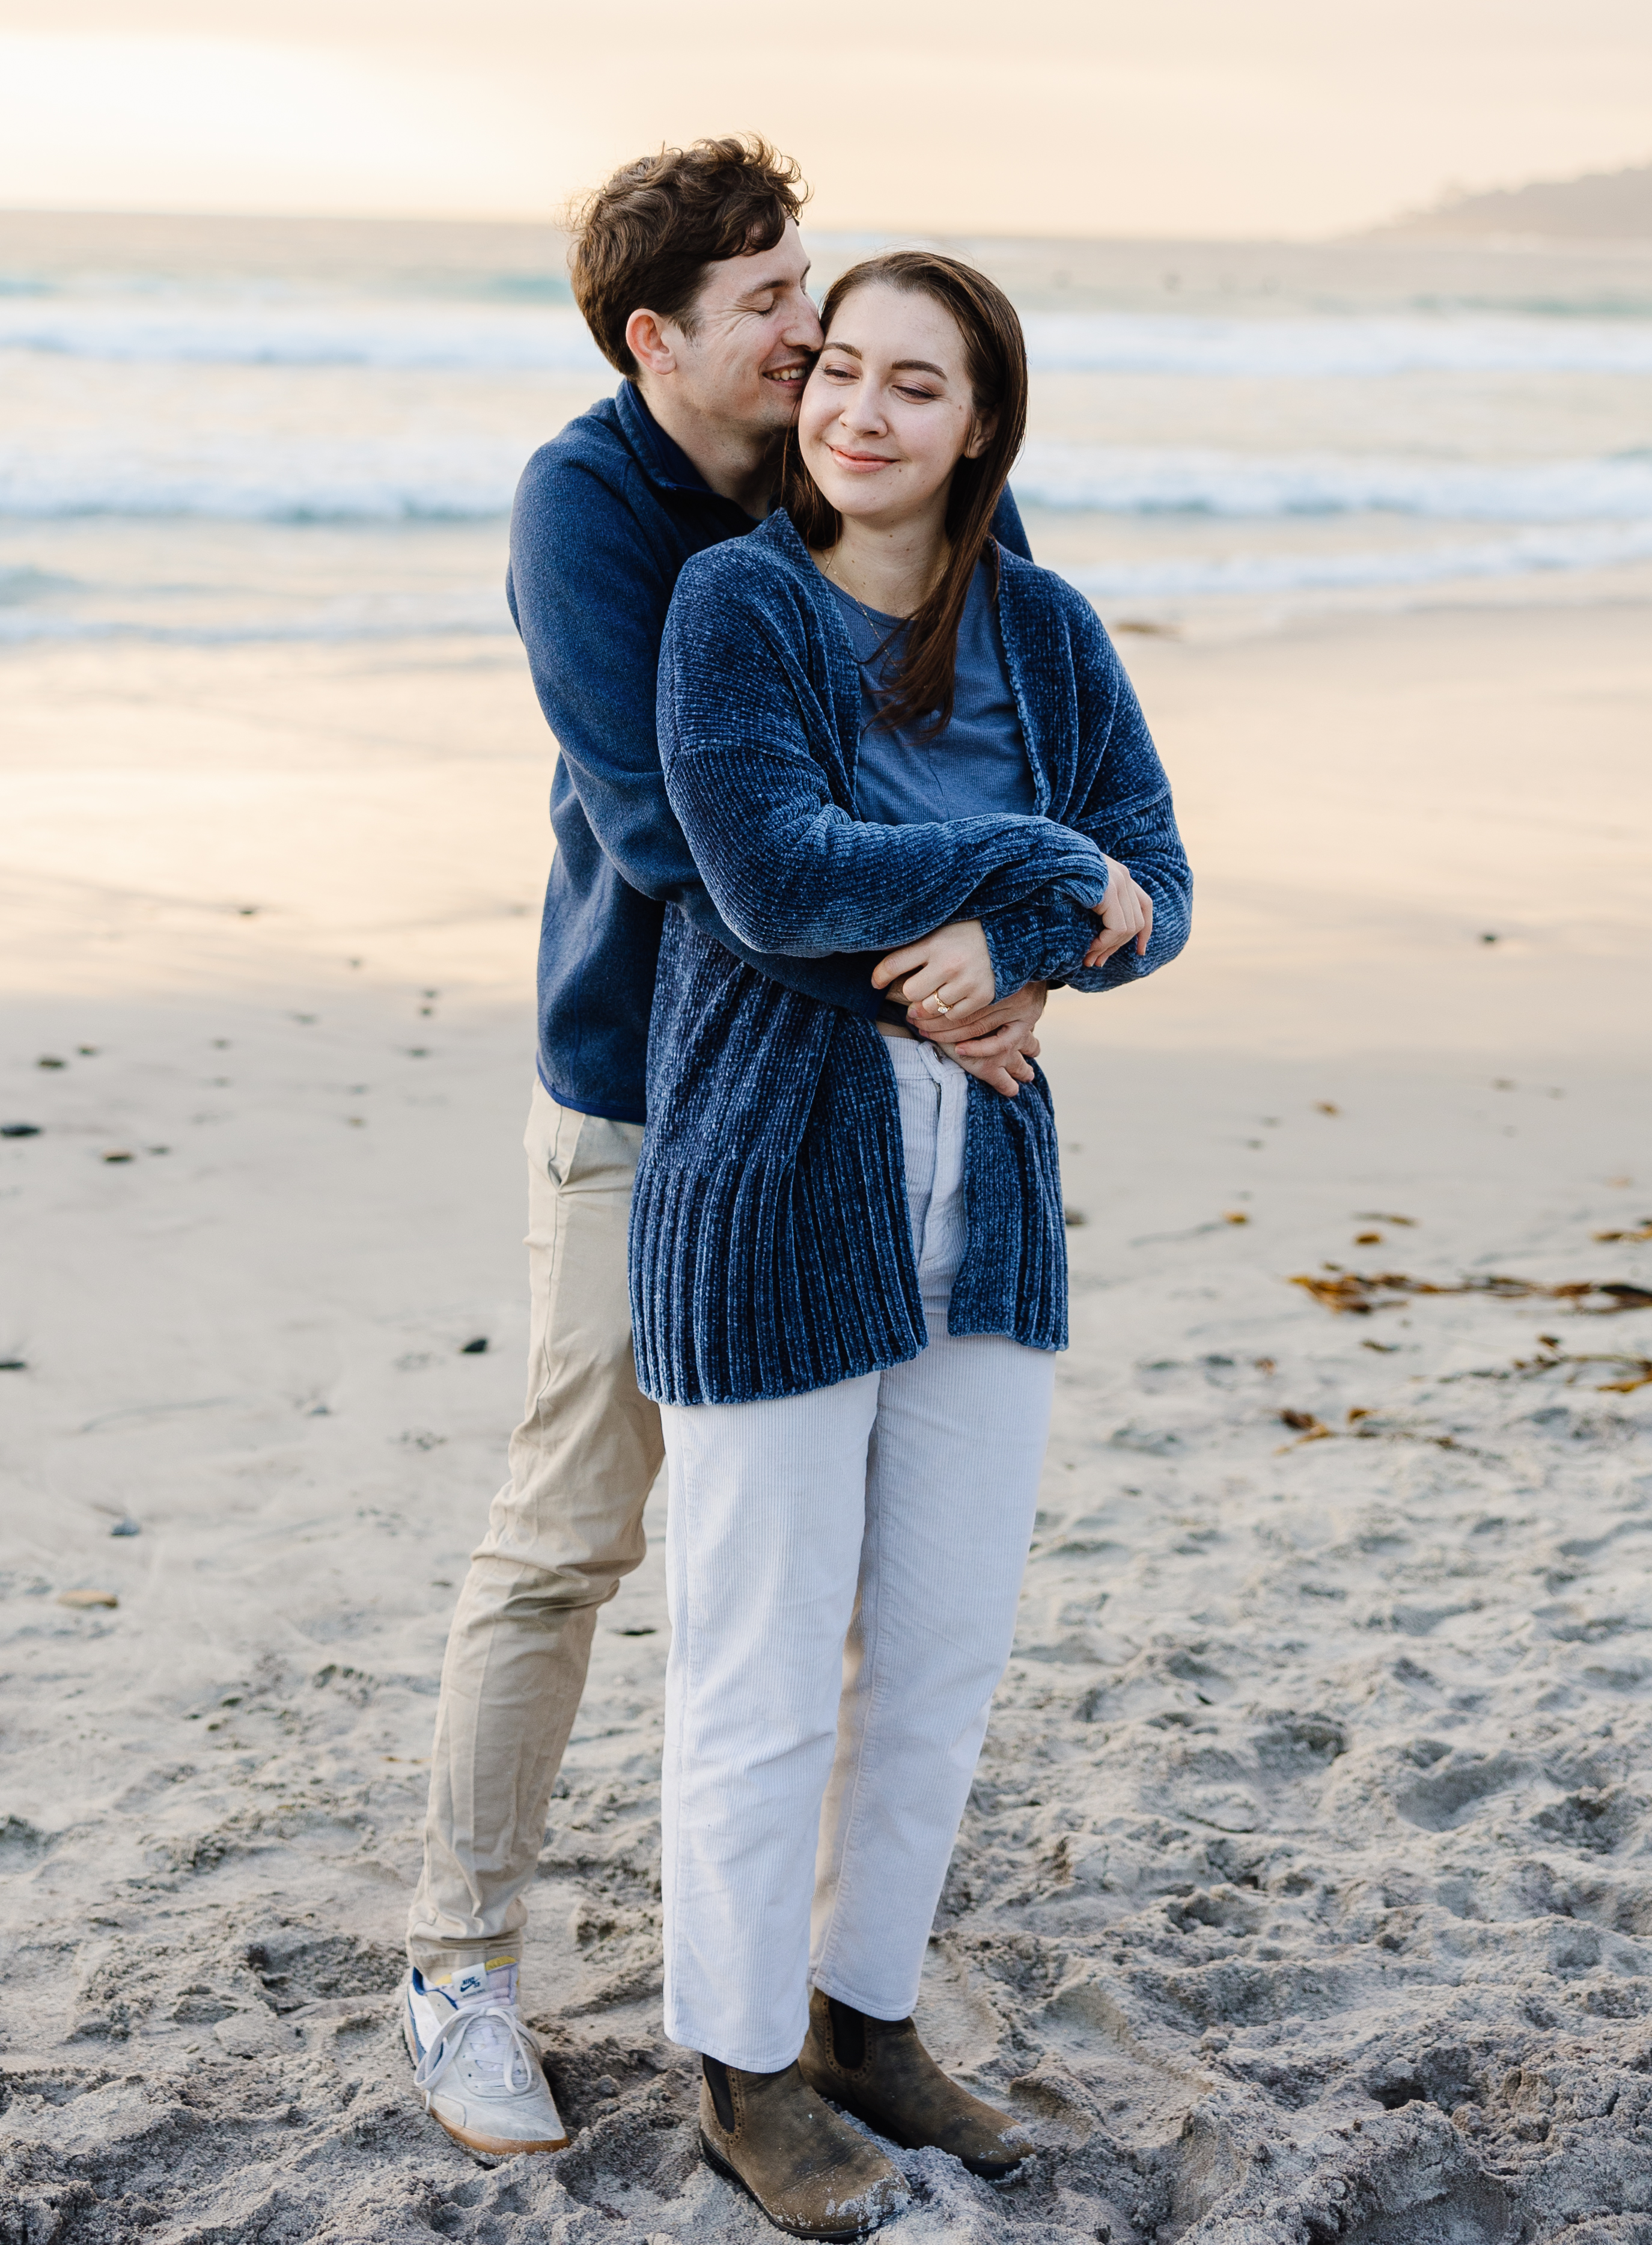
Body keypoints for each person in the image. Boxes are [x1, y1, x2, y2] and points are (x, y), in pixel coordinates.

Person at [400, 141, 1053, 2157]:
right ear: (652, 337)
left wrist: (1029, 946)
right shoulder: (589, 506)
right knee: (572, 1529)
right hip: (641, 1093)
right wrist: (951, 969)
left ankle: (838, 1995)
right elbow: (693, 842)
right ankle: (458, 1961)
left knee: (860, 1581)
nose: (812, 330)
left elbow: (1008, 726)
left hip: (862, 1102)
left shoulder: (835, 458)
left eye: (808, 286)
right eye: (770, 301)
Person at [633, 250, 1190, 2235]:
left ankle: (866, 2018)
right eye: (839, 370)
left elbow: (1164, 878)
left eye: (916, 385)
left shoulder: (1044, 625)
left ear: (982, 425)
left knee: (940, 1648)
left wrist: (1031, 945)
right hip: (772, 1184)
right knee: (762, 1662)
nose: (860, 412)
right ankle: (741, 2066)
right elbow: (774, 870)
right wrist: (1045, 876)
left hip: (992, 1190)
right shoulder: (739, 605)